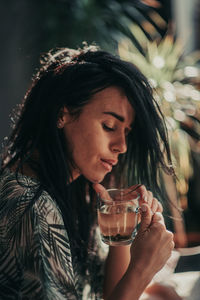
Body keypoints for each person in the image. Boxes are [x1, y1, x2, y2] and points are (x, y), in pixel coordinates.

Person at [0, 44, 177, 300]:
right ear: (63, 114)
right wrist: (142, 269)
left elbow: (107, 293)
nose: (122, 146)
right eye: (109, 126)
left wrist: (123, 230)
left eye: (126, 132)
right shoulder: (30, 206)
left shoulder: (78, 192)